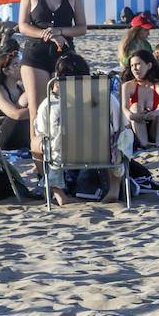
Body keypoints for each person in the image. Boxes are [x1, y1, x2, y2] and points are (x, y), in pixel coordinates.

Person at [17, 0, 88, 169]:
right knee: (37, 111)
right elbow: (23, 25)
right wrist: (45, 33)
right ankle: (40, 167)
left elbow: (82, 27)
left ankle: (67, 158)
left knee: (68, 107)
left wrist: (60, 31)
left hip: (65, 56)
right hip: (35, 54)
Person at [34, 52, 128, 206]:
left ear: (58, 77)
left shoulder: (50, 104)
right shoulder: (106, 98)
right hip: (103, 155)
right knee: (123, 136)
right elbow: (121, 126)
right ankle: (114, 189)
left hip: (63, 157)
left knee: (36, 142)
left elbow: (42, 132)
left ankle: (59, 194)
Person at [122, 49, 159, 148]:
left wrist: (158, 111)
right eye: (132, 66)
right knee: (135, 107)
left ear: (149, 65)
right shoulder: (128, 86)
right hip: (138, 127)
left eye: (138, 64)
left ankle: (158, 144)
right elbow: (124, 108)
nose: (134, 68)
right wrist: (133, 116)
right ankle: (144, 144)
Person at [0, 45, 32, 152]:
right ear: (5, 71)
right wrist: (37, 111)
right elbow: (15, 115)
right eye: (15, 65)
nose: (20, 68)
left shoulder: (19, 88)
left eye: (20, 65)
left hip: (17, 135)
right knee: (27, 97)